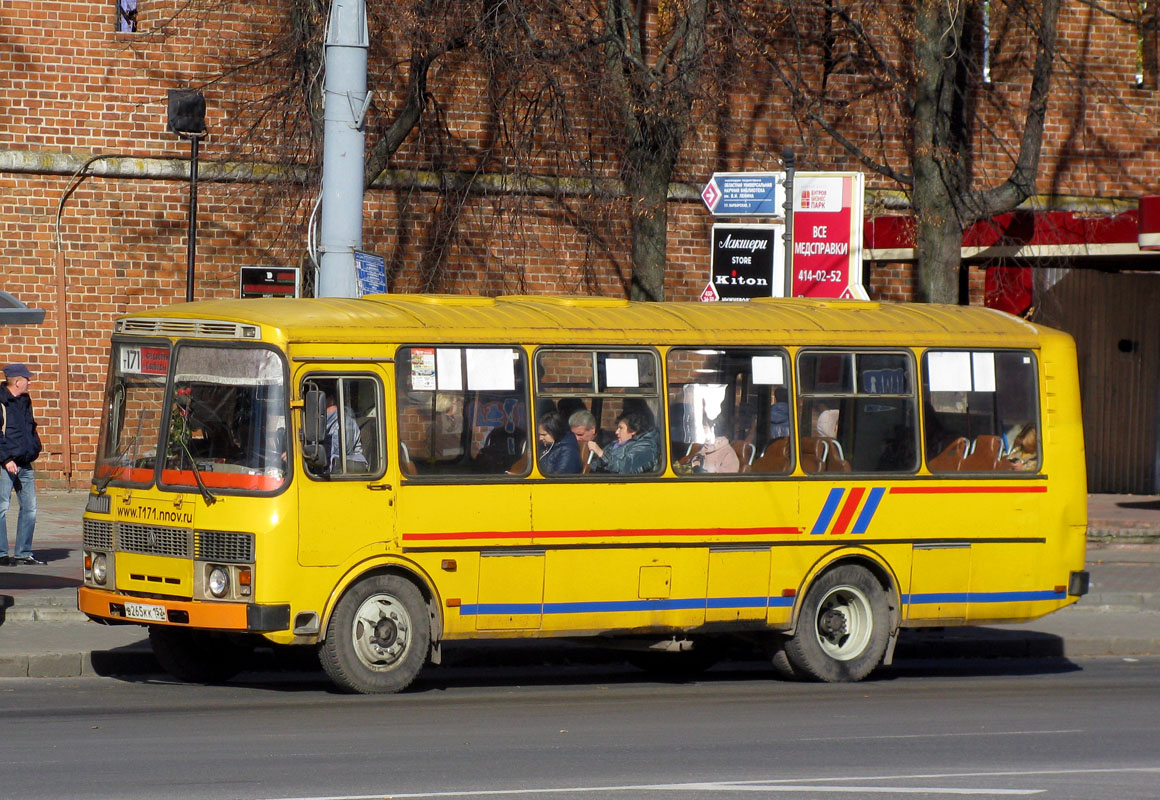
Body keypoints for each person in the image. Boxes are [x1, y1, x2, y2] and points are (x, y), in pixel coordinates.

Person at [0, 364, 43, 566]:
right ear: (18, 381)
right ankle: (1, 553)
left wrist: (35, 447)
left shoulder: (25, 401)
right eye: (27, 378)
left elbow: (31, 427)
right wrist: (6, 459)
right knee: (2, 507)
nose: (30, 382)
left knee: (30, 508)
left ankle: (23, 553)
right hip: (5, 464)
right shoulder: (1, 401)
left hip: (25, 462)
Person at [588, 410, 660, 474]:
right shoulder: (613, 445)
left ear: (633, 431)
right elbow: (595, 465)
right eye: (617, 428)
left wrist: (601, 454)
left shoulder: (647, 448)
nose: (616, 432)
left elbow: (625, 468)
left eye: (621, 428)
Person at [325, 393, 368, 474]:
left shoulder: (344, 423)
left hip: (340, 472)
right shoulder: (326, 421)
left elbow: (342, 449)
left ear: (330, 400)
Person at [536, 411, 582, 475]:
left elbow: (560, 477)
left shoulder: (568, 451)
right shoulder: (547, 446)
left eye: (544, 435)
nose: (540, 438)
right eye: (540, 435)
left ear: (554, 432)